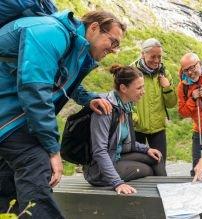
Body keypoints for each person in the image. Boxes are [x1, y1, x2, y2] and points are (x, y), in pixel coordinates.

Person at [0, 10, 126, 218]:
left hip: (11, 115)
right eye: (112, 42)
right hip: (9, 116)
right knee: (36, 164)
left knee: (8, 181)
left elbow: (62, 79)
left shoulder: (72, 45)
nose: (113, 50)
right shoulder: (50, 33)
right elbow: (35, 89)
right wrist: (52, 149)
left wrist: (88, 98)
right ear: (94, 28)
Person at [83, 65, 167, 195]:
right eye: (139, 88)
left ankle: (168, 196)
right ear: (123, 88)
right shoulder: (105, 108)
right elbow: (99, 151)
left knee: (157, 158)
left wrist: (146, 149)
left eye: (143, 86)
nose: (143, 91)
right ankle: (163, 199)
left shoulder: (126, 106)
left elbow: (125, 142)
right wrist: (118, 183)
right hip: (99, 171)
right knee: (148, 170)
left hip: (117, 157)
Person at [132, 38, 177, 164]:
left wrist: (167, 87)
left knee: (160, 165)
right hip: (136, 128)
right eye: (153, 56)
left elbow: (171, 103)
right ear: (143, 54)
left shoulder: (165, 73)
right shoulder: (131, 72)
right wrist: (133, 117)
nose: (157, 60)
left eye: (159, 56)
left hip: (158, 128)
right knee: (138, 165)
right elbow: (122, 98)